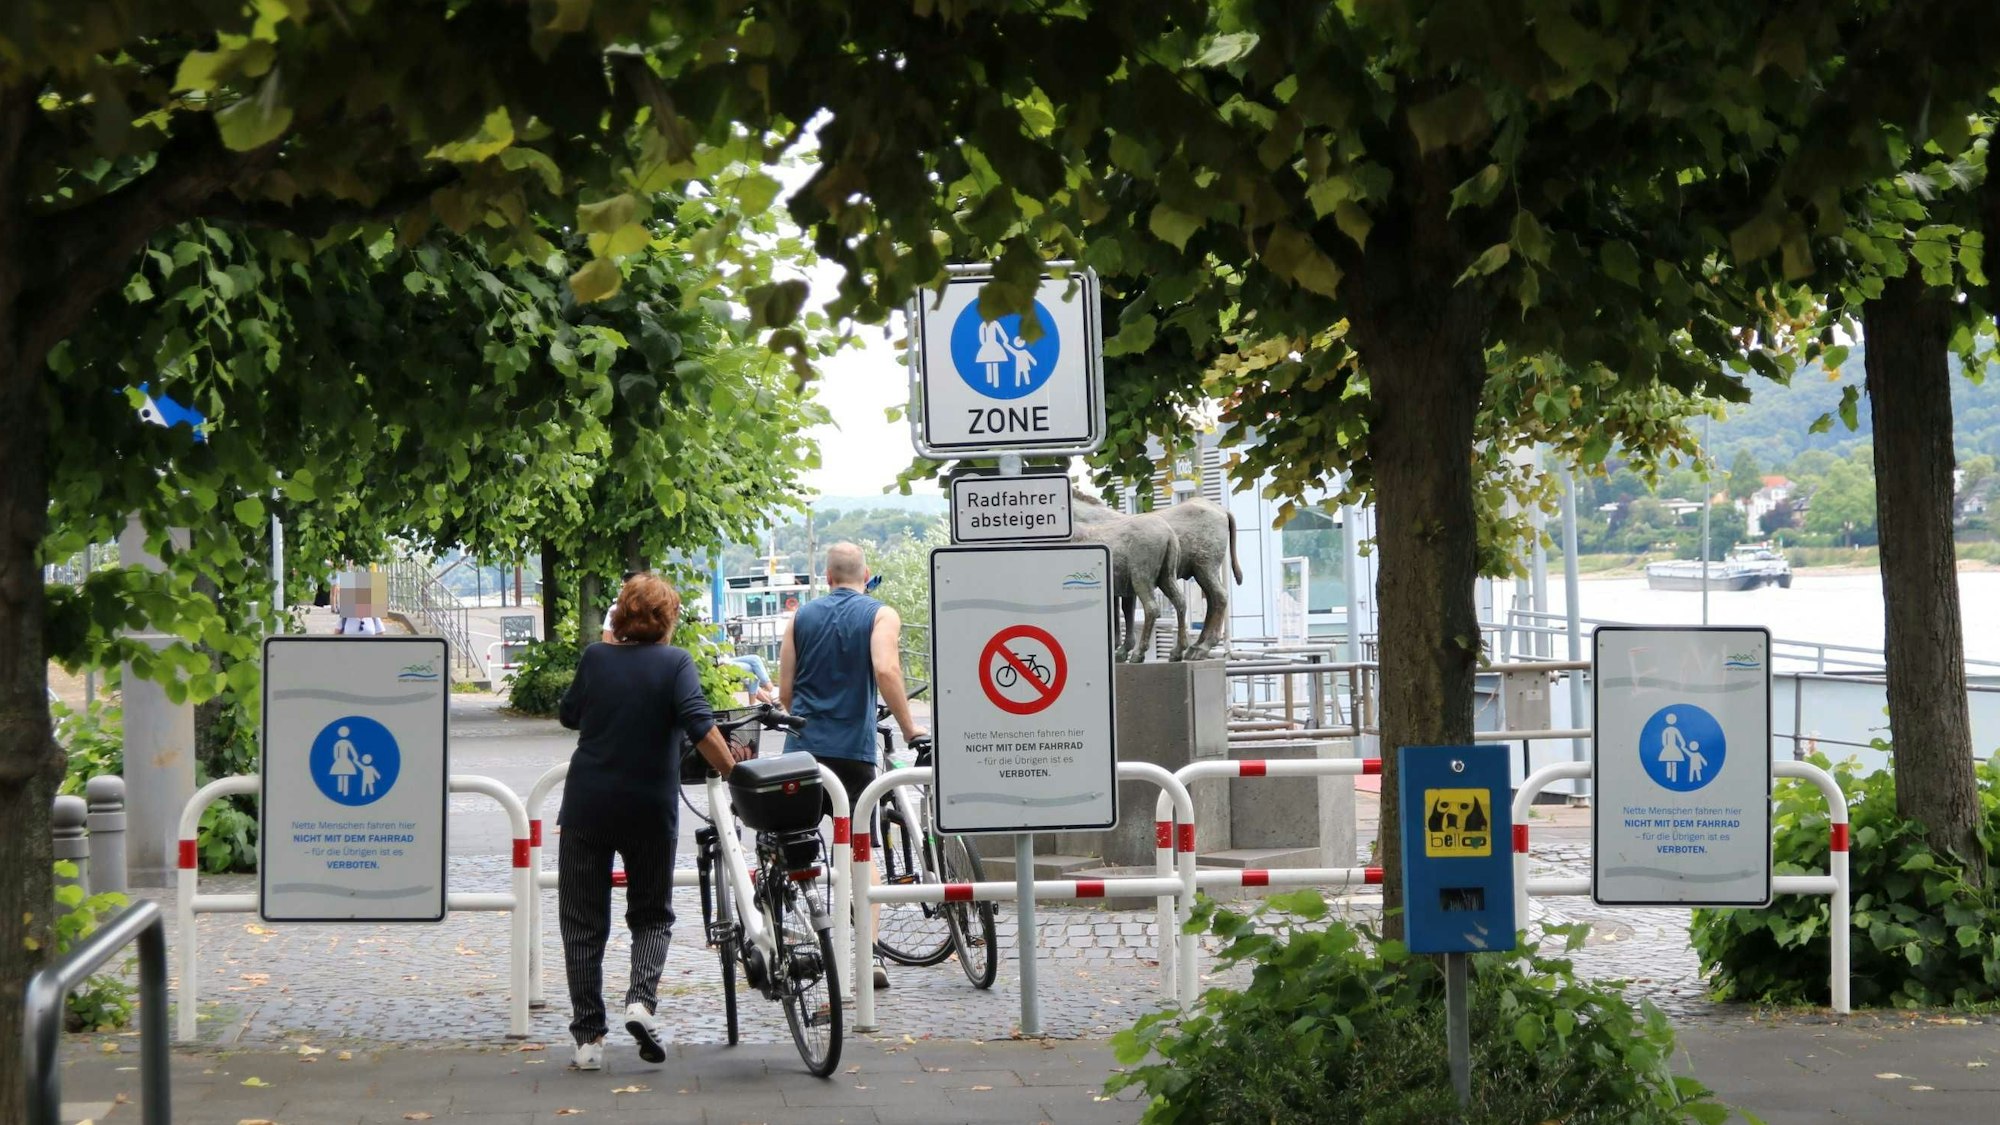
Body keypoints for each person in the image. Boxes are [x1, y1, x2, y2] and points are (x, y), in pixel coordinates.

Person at [557, 573, 750, 1072]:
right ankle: (640, 1001)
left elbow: (569, 716)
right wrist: (733, 772)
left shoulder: (595, 658)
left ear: (620, 616)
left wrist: (605, 653)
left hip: (587, 806)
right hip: (649, 808)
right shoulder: (675, 663)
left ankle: (588, 1040)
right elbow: (700, 724)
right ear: (669, 620)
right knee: (652, 915)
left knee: (582, 922)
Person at [779, 542, 925, 990]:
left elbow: (785, 694)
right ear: (867, 575)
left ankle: (799, 937)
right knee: (861, 850)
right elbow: (886, 669)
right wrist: (912, 730)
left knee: (791, 849)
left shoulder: (800, 619)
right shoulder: (881, 614)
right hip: (853, 754)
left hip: (802, 751)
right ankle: (870, 955)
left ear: (826, 578)